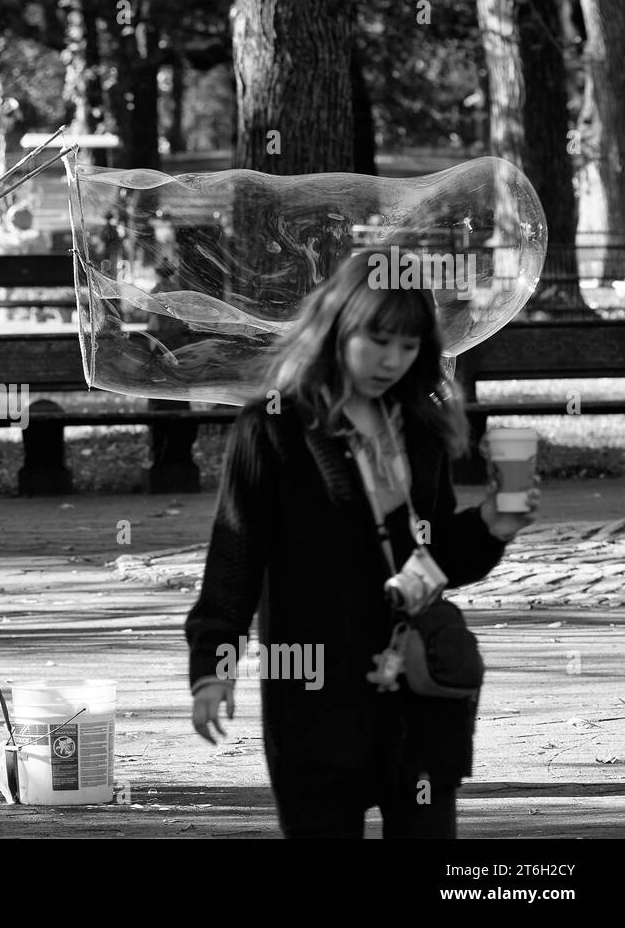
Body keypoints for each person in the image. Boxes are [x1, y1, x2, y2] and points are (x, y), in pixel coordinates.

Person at [186, 251, 540, 838]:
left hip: (418, 685)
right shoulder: (273, 427)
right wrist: (212, 667)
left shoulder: (421, 428)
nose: (392, 361)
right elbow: (235, 557)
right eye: (377, 340)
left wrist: (490, 526)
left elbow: (434, 558)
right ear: (337, 325)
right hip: (316, 691)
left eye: (407, 346)